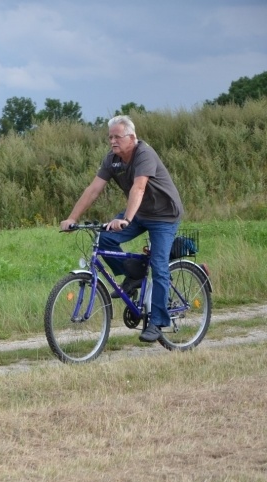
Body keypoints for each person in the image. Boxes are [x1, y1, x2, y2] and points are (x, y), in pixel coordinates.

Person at [60, 115, 184, 343]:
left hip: (164, 215)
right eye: (110, 137)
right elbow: (93, 190)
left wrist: (126, 218)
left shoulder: (144, 154)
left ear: (132, 137)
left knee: (158, 266)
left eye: (118, 136)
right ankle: (133, 277)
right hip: (139, 213)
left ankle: (157, 321)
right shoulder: (112, 160)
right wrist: (71, 218)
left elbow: (139, 187)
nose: (112, 141)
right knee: (105, 238)